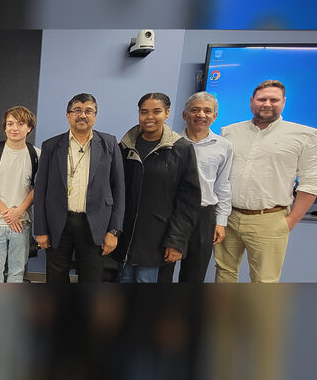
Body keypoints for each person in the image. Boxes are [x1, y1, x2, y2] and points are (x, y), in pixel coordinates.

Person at [216, 80, 317, 283]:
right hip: (229, 217)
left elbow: (310, 182)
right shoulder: (230, 132)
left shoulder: (304, 135)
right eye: (262, 99)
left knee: (265, 281)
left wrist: (290, 222)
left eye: (274, 99)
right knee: (224, 273)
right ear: (252, 101)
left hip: (270, 219)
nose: (267, 104)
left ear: (284, 102)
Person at [34, 93, 125, 283]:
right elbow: (40, 189)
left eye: (88, 111)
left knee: (92, 278)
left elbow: (119, 189)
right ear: (68, 115)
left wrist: (114, 231)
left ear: (95, 115)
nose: (82, 115)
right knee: (56, 276)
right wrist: (41, 229)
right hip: (59, 222)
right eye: (77, 110)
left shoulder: (109, 144)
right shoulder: (51, 146)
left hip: (95, 224)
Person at [112, 92, 201, 283]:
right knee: (123, 279)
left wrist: (176, 241)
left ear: (167, 113)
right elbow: (115, 191)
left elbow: (188, 201)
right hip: (125, 235)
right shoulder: (125, 147)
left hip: (157, 236)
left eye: (156, 111)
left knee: (146, 282)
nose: (149, 117)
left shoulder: (181, 149)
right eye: (144, 112)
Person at [157, 92, 233, 283]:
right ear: (185, 114)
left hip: (203, 216)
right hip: (171, 214)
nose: (201, 115)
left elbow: (222, 185)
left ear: (214, 116)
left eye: (207, 111)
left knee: (194, 276)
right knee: (162, 272)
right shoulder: (169, 143)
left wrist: (221, 221)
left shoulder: (224, 146)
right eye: (195, 110)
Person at [0, 106, 39, 283]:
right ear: (4, 127)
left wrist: (18, 212)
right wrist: (8, 213)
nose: (14, 128)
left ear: (29, 128)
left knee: (17, 273)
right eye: (10, 123)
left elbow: (37, 189)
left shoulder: (36, 155)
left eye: (20, 124)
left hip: (22, 223)